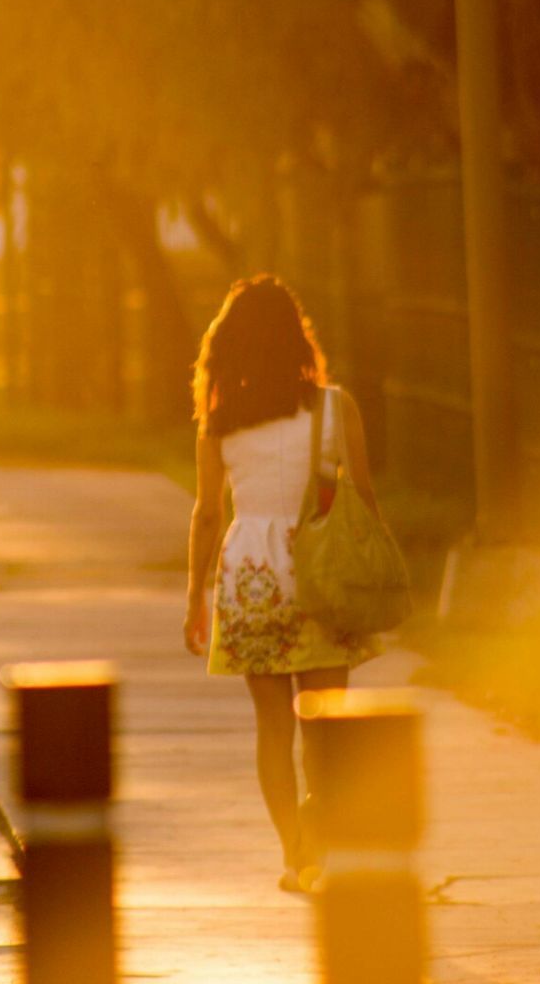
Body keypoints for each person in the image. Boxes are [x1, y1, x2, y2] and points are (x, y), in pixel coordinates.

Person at [184, 274, 381, 892]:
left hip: (250, 576)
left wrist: (195, 595)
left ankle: (296, 857)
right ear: (298, 339)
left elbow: (209, 513)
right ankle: (321, 839)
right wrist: (371, 574)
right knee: (328, 723)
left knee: (274, 728)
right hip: (320, 568)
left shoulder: (220, 423)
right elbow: (365, 500)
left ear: (232, 345)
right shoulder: (334, 406)